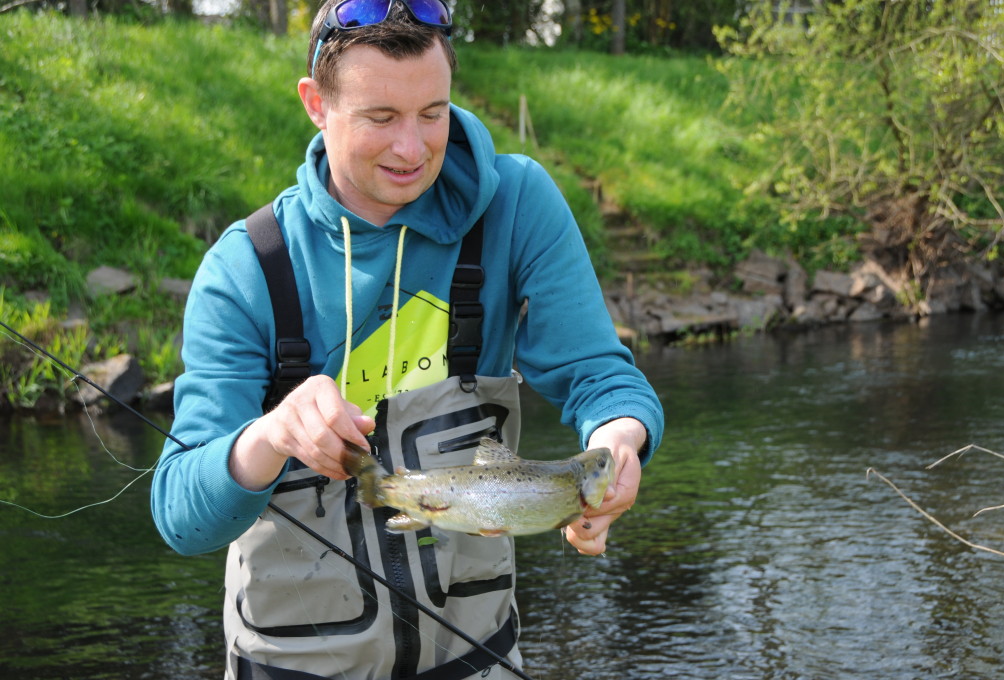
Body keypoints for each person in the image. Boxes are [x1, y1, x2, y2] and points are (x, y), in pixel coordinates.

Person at [151, 1, 664, 678]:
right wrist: (271, 436)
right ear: (316, 104)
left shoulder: (517, 204)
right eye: (380, 118)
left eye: (433, 113)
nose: (413, 148)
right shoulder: (246, 267)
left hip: (478, 658)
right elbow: (182, 516)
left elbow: (602, 376)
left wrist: (618, 443)